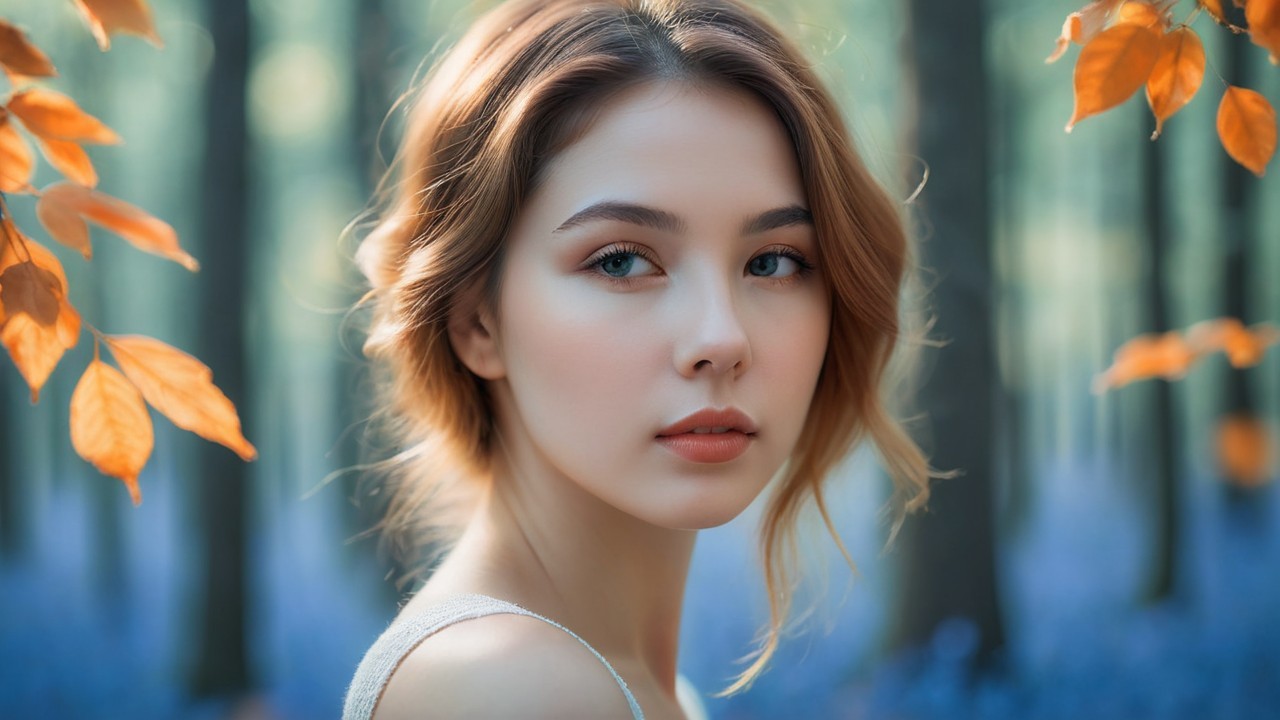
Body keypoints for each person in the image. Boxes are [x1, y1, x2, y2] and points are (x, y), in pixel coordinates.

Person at [342, 0, 937, 717]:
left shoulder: (631, 686)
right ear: (478, 323)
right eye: (621, 261)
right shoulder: (509, 688)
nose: (721, 339)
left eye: (774, 262)